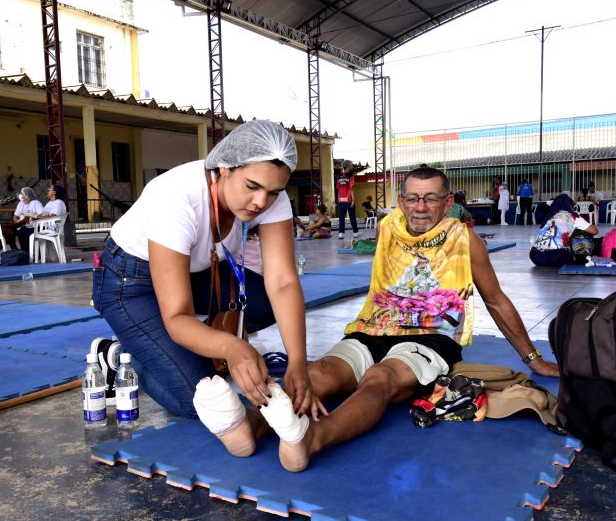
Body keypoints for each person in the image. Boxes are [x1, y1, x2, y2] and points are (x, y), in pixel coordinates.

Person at [194, 164, 559, 472]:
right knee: (319, 374)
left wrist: (533, 359)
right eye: (413, 198)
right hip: (374, 327)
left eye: (431, 198)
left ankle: (310, 440)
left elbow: (495, 300)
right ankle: (250, 428)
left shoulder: (464, 240)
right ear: (400, 201)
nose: (420, 207)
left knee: (378, 378)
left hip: (432, 336)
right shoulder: (386, 228)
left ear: (448, 202)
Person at [91, 120, 315, 434]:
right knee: (197, 401)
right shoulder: (178, 197)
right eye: (252, 186)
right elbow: (177, 315)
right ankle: (123, 352)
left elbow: (283, 282)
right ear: (224, 168)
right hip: (130, 282)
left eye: (273, 192)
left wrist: (298, 363)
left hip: (199, 274)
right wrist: (232, 348)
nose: (261, 202)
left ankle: (170, 342)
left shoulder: (270, 198)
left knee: (264, 302)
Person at [529, 194, 598, 267]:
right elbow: (595, 231)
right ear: (570, 206)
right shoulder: (573, 217)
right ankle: (581, 257)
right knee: (581, 233)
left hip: (534, 256)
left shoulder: (549, 217)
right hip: (555, 256)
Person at [12, 187, 44, 258]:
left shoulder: (36, 203)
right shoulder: (21, 203)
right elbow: (15, 216)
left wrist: (31, 215)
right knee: (11, 233)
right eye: (21, 195)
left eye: (23, 195)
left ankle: (33, 255)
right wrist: (18, 222)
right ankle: (19, 253)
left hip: (34, 226)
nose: (22, 197)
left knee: (23, 232)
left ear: (28, 195)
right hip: (21, 225)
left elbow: (42, 216)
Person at [336, 160, 360, 240]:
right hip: (349, 200)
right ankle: (355, 232)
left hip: (341, 201)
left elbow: (338, 188)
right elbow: (352, 188)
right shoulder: (351, 176)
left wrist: (338, 199)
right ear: (348, 166)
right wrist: (353, 200)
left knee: (341, 217)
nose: (352, 166)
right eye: (351, 165)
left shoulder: (339, 176)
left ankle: (341, 233)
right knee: (352, 217)